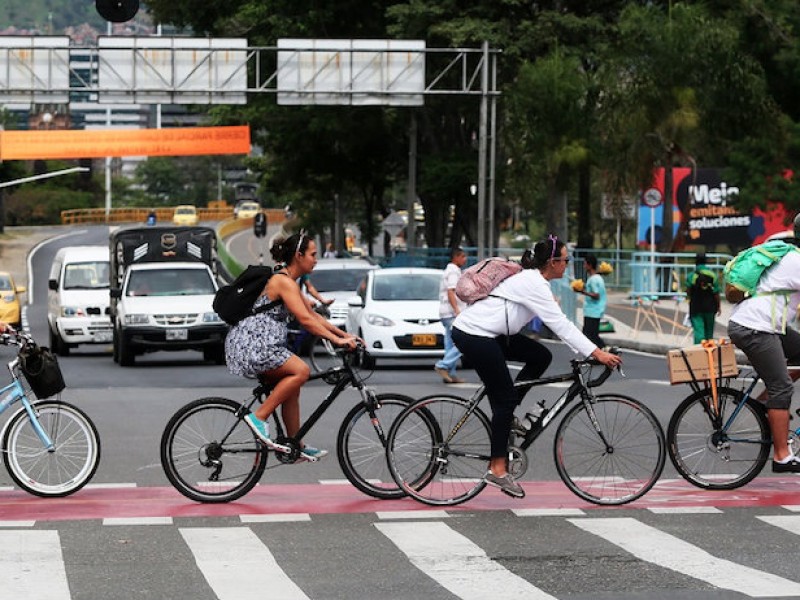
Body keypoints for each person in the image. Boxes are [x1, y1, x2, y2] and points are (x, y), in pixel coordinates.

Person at [451, 235, 622, 498]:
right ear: (553, 262)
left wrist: (591, 349)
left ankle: (507, 417)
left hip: (494, 334)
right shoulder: (533, 283)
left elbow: (553, 322)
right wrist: (596, 352)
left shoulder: (535, 282)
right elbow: (561, 325)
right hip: (474, 334)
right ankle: (497, 469)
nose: (568, 264)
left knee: (540, 357)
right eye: (565, 260)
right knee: (505, 399)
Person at [225, 231, 358, 460]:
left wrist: (345, 335)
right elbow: (306, 322)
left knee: (293, 387)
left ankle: (294, 444)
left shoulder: (289, 282)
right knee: (302, 371)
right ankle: (259, 417)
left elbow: (313, 316)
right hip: (254, 346)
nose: (316, 259)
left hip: (263, 345)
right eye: (313, 254)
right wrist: (337, 341)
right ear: (298, 255)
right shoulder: (282, 282)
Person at [728, 231, 800, 472]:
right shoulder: (796, 261)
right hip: (755, 327)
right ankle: (782, 457)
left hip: (766, 325)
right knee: (782, 386)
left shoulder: (788, 255)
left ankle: (765, 404)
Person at [434, 247, 468, 383]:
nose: (465, 259)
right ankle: (442, 365)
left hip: (445, 313)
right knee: (464, 341)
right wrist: (457, 310)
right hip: (452, 313)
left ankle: (451, 374)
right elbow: (451, 292)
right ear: (456, 257)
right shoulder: (453, 271)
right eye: (463, 256)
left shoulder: (449, 270)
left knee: (450, 344)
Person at [686, 253, 721, 344]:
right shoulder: (712, 275)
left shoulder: (691, 276)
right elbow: (716, 293)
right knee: (709, 333)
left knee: (699, 332)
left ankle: (699, 352)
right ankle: (709, 353)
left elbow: (688, 291)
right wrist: (718, 306)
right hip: (710, 307)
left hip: (696, 307)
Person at [574, 254, 607, 348]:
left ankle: (606, 352)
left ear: (590, 265)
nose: (584, 266)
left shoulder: (593, 279)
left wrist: (582, 291)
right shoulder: (597, 278)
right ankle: (599, 354)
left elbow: (596, 295)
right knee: (591, 335)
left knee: (590, 336)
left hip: (592, 311)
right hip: (594, 311)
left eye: (585, 264)